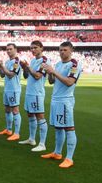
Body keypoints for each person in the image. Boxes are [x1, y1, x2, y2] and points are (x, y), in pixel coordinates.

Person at [40, 41, 82, 169]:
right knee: (58, 127)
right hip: (55, 99)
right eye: (60, 50)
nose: (62, 52)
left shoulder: (74, 64)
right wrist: (49, 73)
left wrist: (54, 71)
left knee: (69, 128)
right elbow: (52, 81)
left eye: (64, 50)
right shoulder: (58, 64)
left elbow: (69, 82)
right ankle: (57, 153)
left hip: (65, 100)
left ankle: (69, 158)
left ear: (71, 51)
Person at [19, 40, 48, 151]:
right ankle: (31, 139)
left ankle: (42, 144)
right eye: (31, 48)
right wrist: (24, 67)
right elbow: (27, 76)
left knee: (40, 117)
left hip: (37, 93)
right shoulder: (33, 60)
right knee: (30, 115)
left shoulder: (44, 61)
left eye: (35, 47)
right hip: (29, 92)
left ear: (41, 48)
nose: (33, 50)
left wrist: (28, 66)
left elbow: (37, 76)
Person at [0, 43, 22, 141]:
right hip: (7, 88)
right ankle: (8, 129)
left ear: (15, 50)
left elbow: (11, 74)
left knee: (15, 110)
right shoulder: (7, 61)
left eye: (10, 49)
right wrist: (0, 66)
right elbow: (3, 75)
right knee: (7, 109)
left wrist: (1, 66)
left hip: (14, 89)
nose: (8, 51)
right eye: (7, 49)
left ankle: (17, 133)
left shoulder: (16, 61)